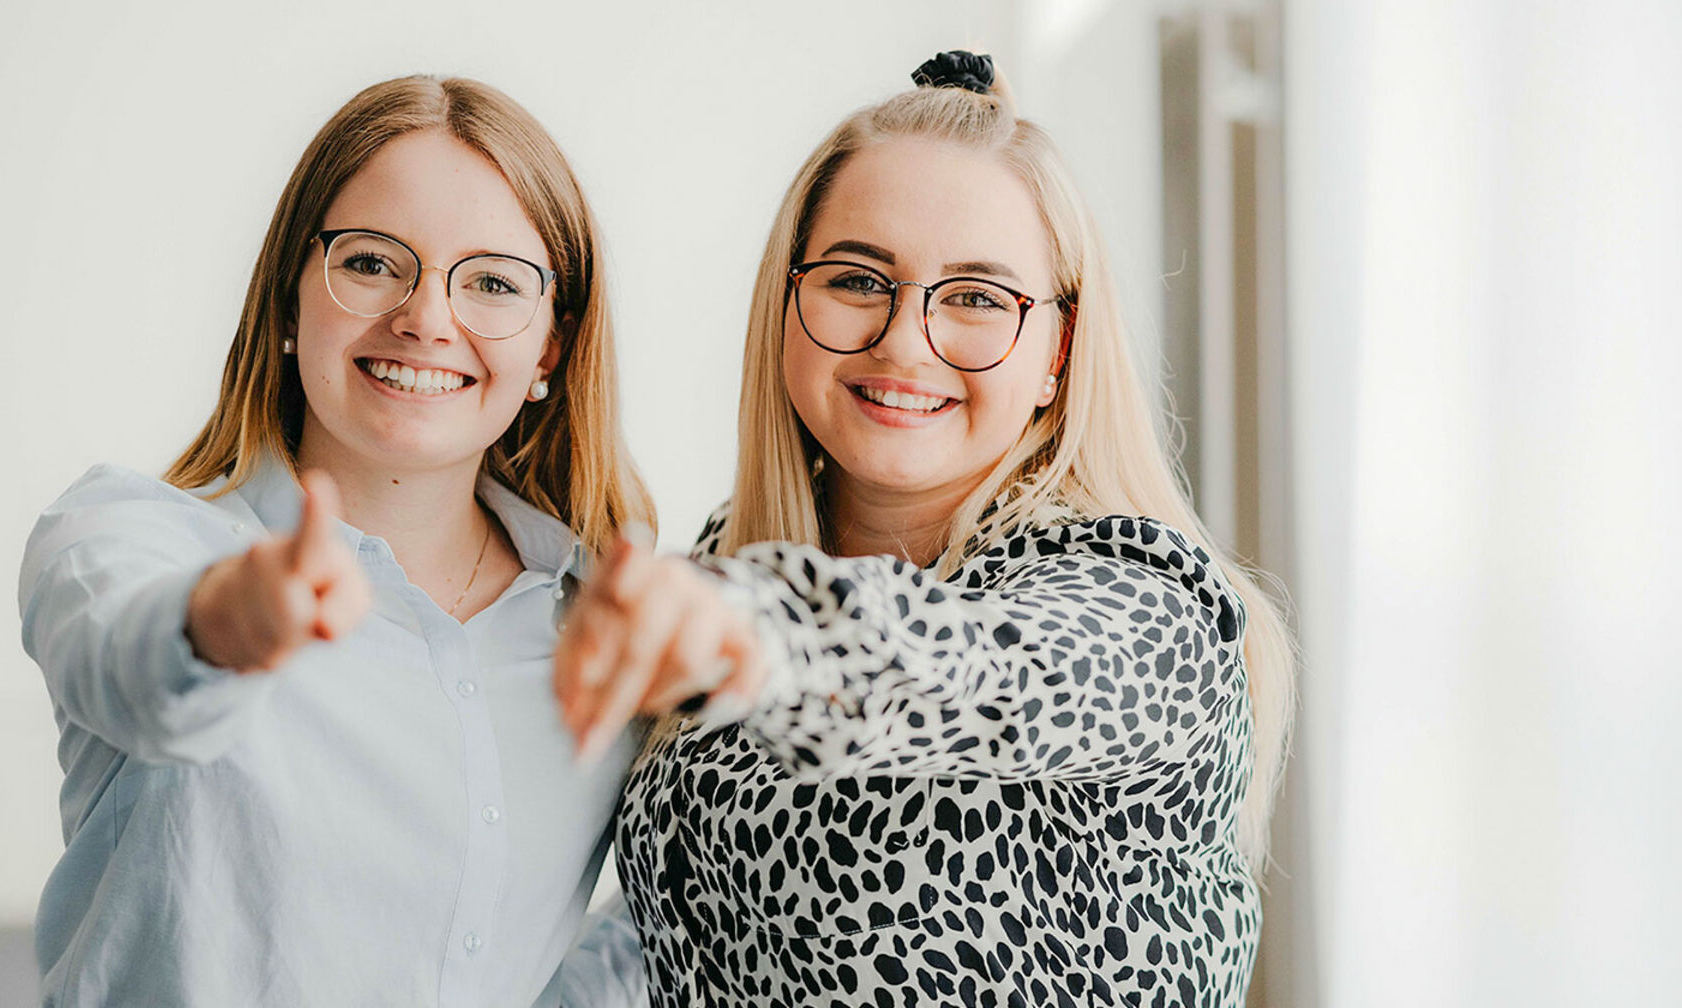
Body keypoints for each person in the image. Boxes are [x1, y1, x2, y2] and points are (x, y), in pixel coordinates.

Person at [553, 52, 1295, 1005]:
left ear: (1059, 349)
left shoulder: (1146, 606)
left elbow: (976, 667)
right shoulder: (736, 551)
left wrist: (753, 629)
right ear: (788, 300)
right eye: (858, 279)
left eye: (978, 297)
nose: (905, 341)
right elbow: (696, 922)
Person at [19, 75, 652, 1007]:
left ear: (549, 349)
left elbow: (659, 923)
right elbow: (123, 665)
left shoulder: (598, 619)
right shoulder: (125, 534)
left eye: (492, 283)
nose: (426, 319)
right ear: (289, 300)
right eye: (371, 263)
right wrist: (222, 624)